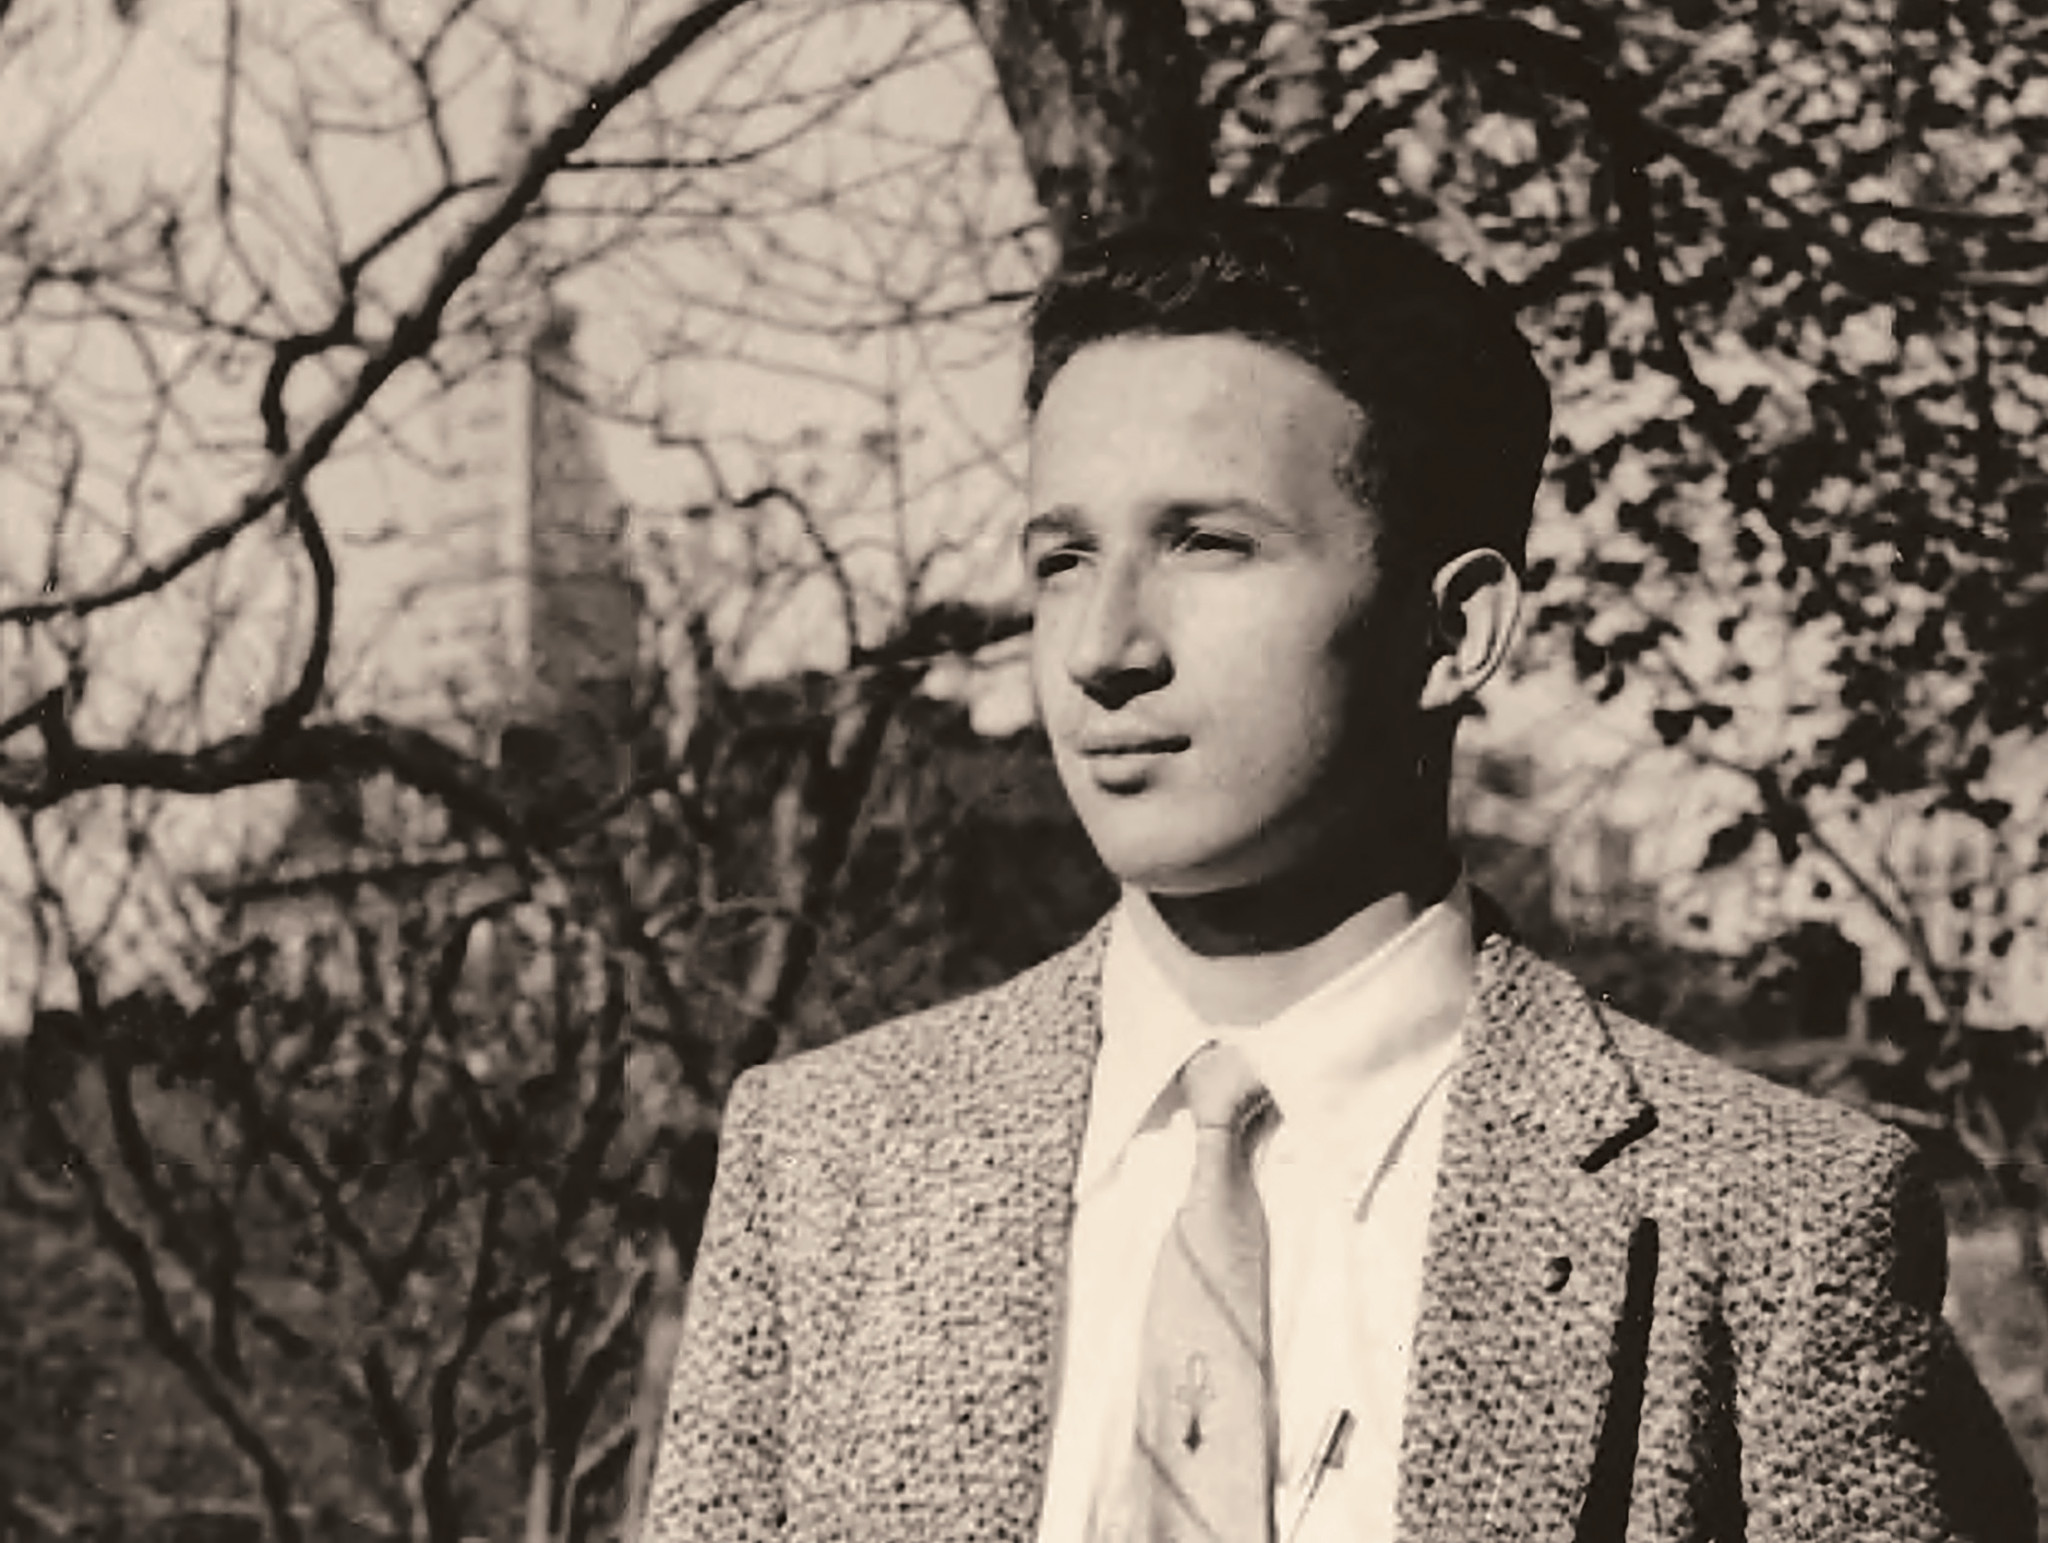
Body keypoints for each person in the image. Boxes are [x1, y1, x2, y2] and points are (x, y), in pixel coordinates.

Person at [642, 202, 2033, 1543]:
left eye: (1209, 544)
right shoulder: (825, 1164)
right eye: (1063, 558)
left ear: (1456, 631)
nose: (1104, 647)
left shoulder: (1772, 1219)